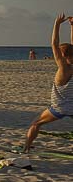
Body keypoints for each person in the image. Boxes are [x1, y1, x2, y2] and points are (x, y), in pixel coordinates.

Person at [24, 15, 73, 154]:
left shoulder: (64, 68)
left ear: (62, 56)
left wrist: (57, 24)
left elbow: (54, 44)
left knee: (36, 123)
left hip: (60, 107)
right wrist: (72, 26)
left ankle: (26, 147)